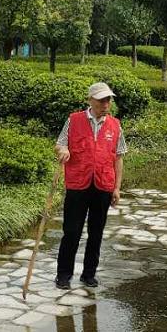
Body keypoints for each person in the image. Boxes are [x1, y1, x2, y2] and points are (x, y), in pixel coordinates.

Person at [55, 82, 126, 290]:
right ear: (90, 100)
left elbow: (119, 157)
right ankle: (63, 275)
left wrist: (117, 188)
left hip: (103, 184)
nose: (106, 103)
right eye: (102, 99)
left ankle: (89, 275)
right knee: (71, 231)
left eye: (108, 99)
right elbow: (60, 143)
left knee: (96, 232)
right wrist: (63, 151)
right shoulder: (74, 120)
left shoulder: (115, 125)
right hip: (78, 183)